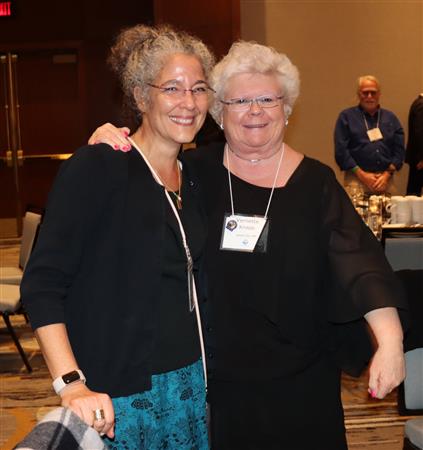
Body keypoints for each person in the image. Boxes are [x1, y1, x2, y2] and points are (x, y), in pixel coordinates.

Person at [89, 42, 407, 450]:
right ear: (219, 113)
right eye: (240, 101)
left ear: (286, 109)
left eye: (267, 99)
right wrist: (114, 143)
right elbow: (139, 176)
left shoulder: (316, 183)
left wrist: (391, 341)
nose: (254, 110)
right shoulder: (193, 172)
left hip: (303, 382)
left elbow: (361, 265)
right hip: (218, 385)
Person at [20, 24, 215, 449]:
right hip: (118, 396)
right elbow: (42, 284)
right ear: (141, 96)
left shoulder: (196, 177)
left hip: (190, 386)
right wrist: (71, 383)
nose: (189, 102)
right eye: (172, 88)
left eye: (199, 89)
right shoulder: (98, 168)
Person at [334, 75, 405, 194]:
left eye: (373, 92)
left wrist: (387, 175)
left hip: (385, 181)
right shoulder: (346, 117)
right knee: (353, 207)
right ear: (358, 94)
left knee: (392, 206)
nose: (369, 96)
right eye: (365, 93)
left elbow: (399, 151)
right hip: (356, 180)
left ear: (379, 94)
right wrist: (362, 175)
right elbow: (341, 151)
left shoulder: (390, 118)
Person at [406, 93, 423, 195]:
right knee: (414, 196)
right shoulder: (421, 104)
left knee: (413, 194)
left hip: (418, 159)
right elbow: (420, 132)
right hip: (420, 160)